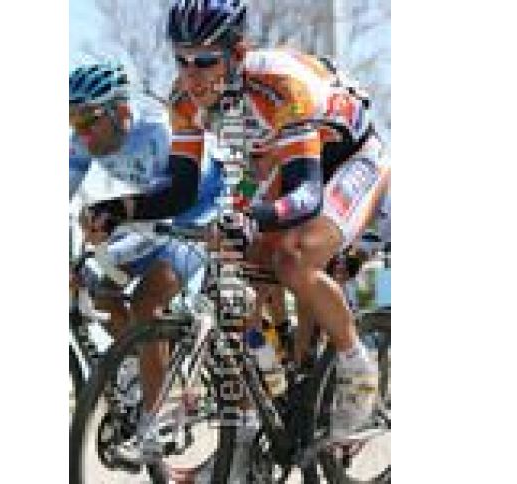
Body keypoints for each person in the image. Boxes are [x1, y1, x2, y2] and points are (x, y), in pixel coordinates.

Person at [165, 0, 392, 444]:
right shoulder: (187, 98)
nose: (191, 74)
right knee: (233, 261)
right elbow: (200, 184)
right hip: (283, 160)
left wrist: (253, 217)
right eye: (181, 60)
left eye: (205, 60)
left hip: (349, 157)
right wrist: (121, 211)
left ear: (237, 53)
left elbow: (306, 195)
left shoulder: (279, 85)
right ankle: (276, 373)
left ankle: (357, 366)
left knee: (293, 256)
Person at [69, 58, 224, 458]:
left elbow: (168, 206)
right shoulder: (83, 139)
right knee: (97, 285)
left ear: (121, 112)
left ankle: (152, 424)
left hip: (198, 212)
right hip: (150, 213)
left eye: (87, 121)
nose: (80, 132)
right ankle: (139, 363)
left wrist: (112, 224)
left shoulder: (159, 131)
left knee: (146, 301)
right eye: (72, 120)